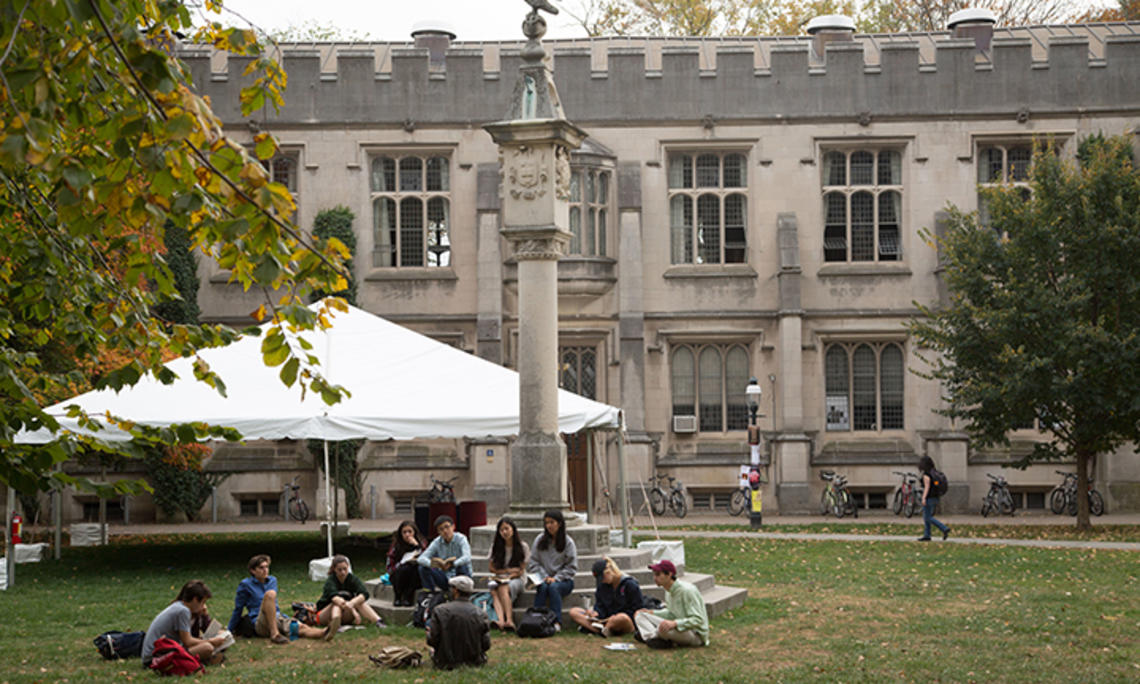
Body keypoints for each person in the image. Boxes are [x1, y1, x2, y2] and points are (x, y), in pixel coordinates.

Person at [227, 554, 328, 643]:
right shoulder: (246, 585)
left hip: (277, 617)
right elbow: (238, 608)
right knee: (270, 594)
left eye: (267, 567)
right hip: (260, 622)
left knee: (300, 627)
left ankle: (323, 632)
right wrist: (229, 630)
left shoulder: (272, 580)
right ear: (253, 571)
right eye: (261, 568)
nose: (265, 570)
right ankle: (274, 634)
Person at [141, 580, 227, 668]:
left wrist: (205, 616)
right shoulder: (183, 611)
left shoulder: (180, 606)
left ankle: (205, 658)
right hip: (155, 658)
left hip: (161, 653)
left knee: (213, 642)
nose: (204, 606)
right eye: (203, 602)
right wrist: (211, 642)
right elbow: (188, 641)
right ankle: (204, 659)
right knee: (207, 648)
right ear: (195, 599)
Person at [634, 560, 708, 649]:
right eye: (654, 574)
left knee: (661, 629)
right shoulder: (668, 591)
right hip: (676, 627)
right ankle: (654, 638)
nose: (655, 578)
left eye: (658, 574)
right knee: (640, 615)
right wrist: (652, 613)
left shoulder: (687, 591)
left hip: (694, 634)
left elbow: (698, 619)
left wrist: (675, 623)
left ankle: (651, 636)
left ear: (669, 574)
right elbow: (671, 613)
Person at [425, 575, 491, 670]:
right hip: (474, 662)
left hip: (445, 662)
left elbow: (433, 640)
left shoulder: (440, 610)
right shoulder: (481, 613)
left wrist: (428, 634)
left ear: (455, 590)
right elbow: (486, 644)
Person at [526, 509, 577, 629]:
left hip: (564, 580)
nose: (549, 526)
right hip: (543, 578)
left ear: (559, 524)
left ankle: (556, 621)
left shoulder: (568, 542)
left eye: (552, 522)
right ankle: (536, 619)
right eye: (546, 523)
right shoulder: (539, 540)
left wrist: (556, 578)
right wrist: (544, 577)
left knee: (554, 587)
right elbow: (533, 562)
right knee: (543, 587)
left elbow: (571, 567)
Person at [569, 557, 643, 638]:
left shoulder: (630, 584)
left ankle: (600, 629)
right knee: (574, 611)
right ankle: (604, 629)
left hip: (624, 620)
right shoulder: (602, 586)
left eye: (603, 577)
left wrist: (614, 617)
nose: (602, 581)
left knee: (621, 618)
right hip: (605, 619)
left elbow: (637, 609)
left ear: (609, 571)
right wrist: (595, 613)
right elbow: (600, 604)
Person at [315, 554, 385, 633]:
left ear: (348, 567)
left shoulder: (352, 579)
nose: (343, 572)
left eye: (345, 569)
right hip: (326, 614)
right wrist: (353, 611)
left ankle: (378, 621)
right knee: (336, 604)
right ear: (334, 569)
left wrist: (353, 602)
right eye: (339, 570)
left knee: (360, 602)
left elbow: (364, 594)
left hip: (345, 611)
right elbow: (335, 599)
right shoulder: (330, 581)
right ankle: (336, 625)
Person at [486, 516, 528, 631]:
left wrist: (510, 576)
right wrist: (506, 572)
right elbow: (492, 568)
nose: (504, 532)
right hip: (500, 577)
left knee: (503, 587)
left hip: (517, 579)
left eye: (507, 529)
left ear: (513, 529)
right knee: (494, 589)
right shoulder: (495, 547)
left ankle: (509, 620)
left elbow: (520, 571)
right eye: (501, 530)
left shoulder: (522, 547)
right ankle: (501, 621)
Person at [417, 515, 473, 592]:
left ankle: (461, 594)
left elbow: (467, 557)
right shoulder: (437, 542)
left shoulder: (461, 539)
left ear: (453, 527)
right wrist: (434, 564)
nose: (445, 531)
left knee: (462, 565)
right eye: (441, 529)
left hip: (461, 577)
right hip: (445, 577)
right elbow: (421, 559)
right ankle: (429, 594)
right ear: (438, 532)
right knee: (423, 568)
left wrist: (453, 564)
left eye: (447, 527)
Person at [386, 520, 427, 606]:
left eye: (410, 532)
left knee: (413, 568)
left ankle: (408, 596)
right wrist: (399, 566)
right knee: (405, 568)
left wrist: (416, 545)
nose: (407, 535)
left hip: (415, 575)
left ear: (414, 532)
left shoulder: (421, 542)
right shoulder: (396, 545)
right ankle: (398, 596)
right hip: (399, 574)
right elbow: (390, 564)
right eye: (404, 532)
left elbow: (426, 557)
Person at [918, 455, 951, 542]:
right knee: (927, 517)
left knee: (928, 517)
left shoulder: (926, 475)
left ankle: (944, 528)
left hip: (929, 497)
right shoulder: (934, 472)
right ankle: (927, 535)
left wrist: (923, 498)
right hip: (935, 497)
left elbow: (927, 487)